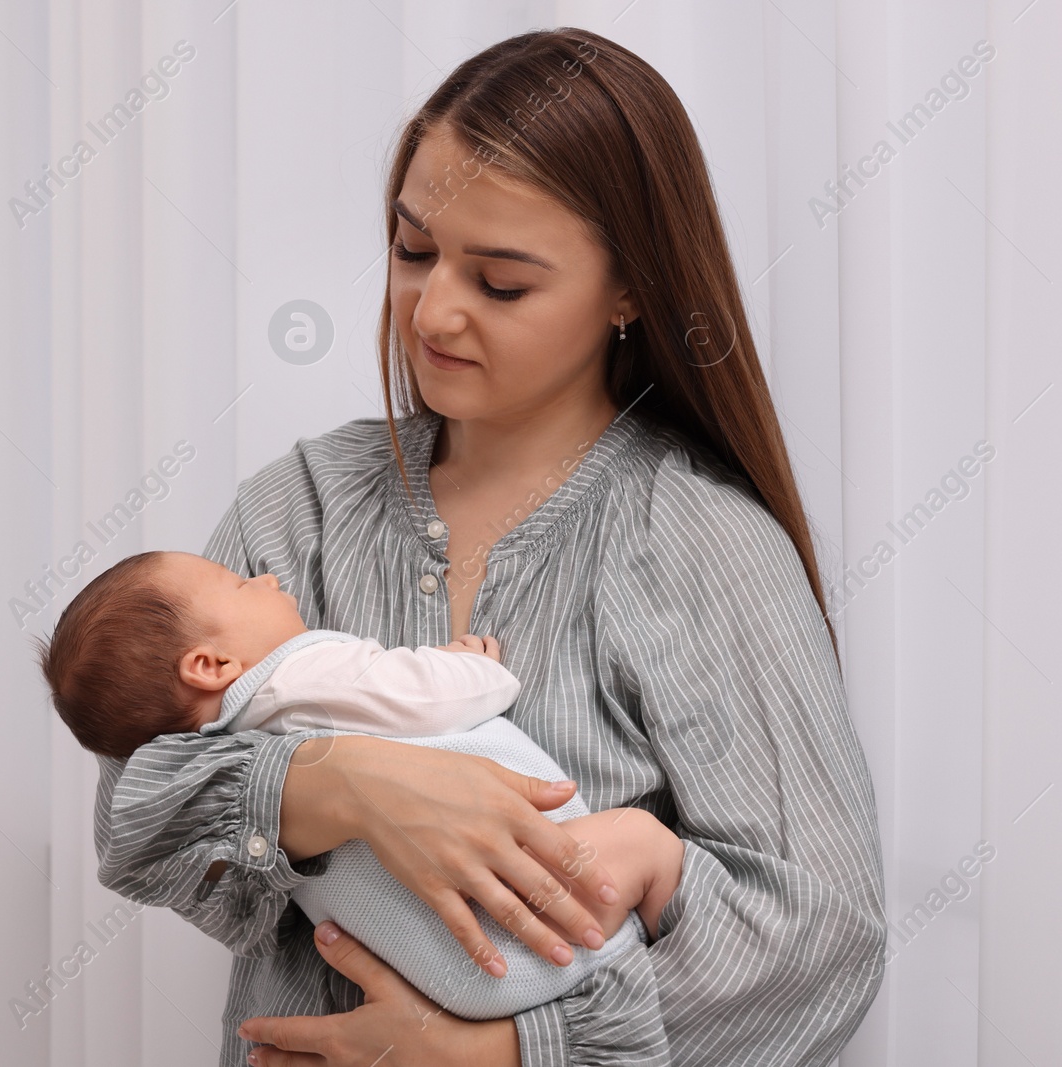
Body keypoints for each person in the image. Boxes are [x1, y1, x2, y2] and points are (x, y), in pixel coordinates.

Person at [94, 26, 886, 1066]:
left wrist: (506, 1049)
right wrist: (339, 781)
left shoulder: (701, 543)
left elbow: (822, 938)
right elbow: (134, 822)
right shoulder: (297, 513)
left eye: (502, 281)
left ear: (628, 291)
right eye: (412, 248)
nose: (434, 308)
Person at [37, 549, 682, 1020]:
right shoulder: (301, 675)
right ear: (211, 665)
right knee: (644, 842)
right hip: (524, 928)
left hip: (436, 982)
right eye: (240, 583)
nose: (264, 575)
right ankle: (642, 951)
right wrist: (475, 667)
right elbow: (419, 697)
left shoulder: (213, 757)